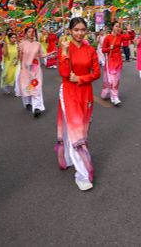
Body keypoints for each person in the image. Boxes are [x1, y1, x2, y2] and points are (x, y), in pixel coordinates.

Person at [56, 17, 101, 191]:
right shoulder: (64, 48)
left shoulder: (91, 50)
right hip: (68, 92)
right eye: (76, 30)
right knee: (76, 132)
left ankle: (67, 157)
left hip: (86, 93)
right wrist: (65, 53)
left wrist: (82, 78)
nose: (80, 33)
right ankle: (82, 173)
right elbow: (64, 73)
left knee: (82, 129)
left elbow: (97, 73)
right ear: (70, 31)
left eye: (83, 30)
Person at [17, 27, 49, 117]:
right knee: (27, 87)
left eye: (33, 31)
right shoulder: (22, 44)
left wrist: (50, 54)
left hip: (35, 69)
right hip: (25, 69)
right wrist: (18, 51)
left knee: (36, 86)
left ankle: (37, 108)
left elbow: (41, 55)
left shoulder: (38, 44)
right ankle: (27, 102)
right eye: (29, 32)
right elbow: (19, 58)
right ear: (26, 33)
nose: (31, 33)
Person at [101, 21, 123, 106]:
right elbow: (103, 50)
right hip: (110, 61)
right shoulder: (108, 38)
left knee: (116, 80)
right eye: (116, 26)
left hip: (119, 61)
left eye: (119, 26)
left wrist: (129, 31)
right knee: (111, 80)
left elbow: (130, 37)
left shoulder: (120, 37)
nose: (118, 28)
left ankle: (114, 97)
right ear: (113, 27)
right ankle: (114, 96)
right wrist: (109, 48)